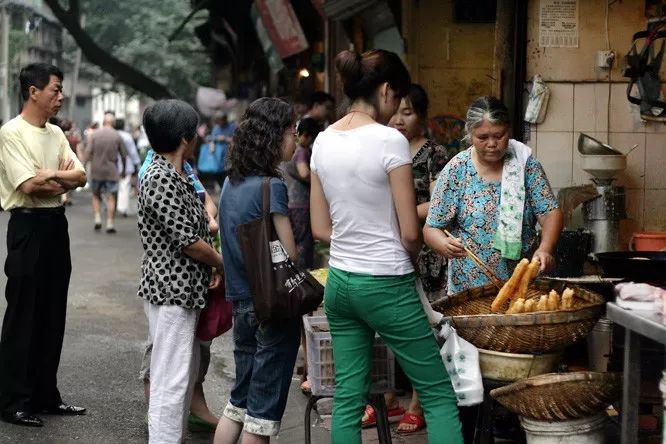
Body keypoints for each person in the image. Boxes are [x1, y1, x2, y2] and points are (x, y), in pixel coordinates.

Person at [309, 49, 463, 444]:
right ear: (387, 90)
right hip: (387, 282)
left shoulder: (323, 141)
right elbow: (411, 231)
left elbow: (320, 227)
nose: (396, 111)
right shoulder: (389, 141)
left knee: (348, 397)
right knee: (437, 393)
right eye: (396, 100)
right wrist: (407, 259)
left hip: (341, 282)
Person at [0, 63, 87, 427]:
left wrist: (49, 174)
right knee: (23, 313)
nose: (60, 96)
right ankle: (12, 400)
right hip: (27, 226)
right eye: (54, 89)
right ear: (33, 92)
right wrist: (56, 180)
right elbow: (28, 187)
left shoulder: (55, 134)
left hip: (55, 225)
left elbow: (80, 175)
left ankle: (45, 395)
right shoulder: (11, 133)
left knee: (53, 312)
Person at [361, 83, 451, 434]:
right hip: (386, 248)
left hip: (426, 249)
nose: (399, 119)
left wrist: (405, 214)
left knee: (422, 330)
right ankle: (385, 399)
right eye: (397, 110)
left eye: (409, 112)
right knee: (387, 325)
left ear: (423, 117)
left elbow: (440, 201)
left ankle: (418, 402)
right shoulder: (383, 148)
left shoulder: (434, 154)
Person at [214, 97, 300, 444]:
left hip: (241, 302)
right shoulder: (272, 186)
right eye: (293, 132)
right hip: (272, 306)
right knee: (261, 417)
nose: (295, 140)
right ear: (275, 136)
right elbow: (289, 252)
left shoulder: (230, 185)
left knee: (239, 401)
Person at [138, 99, 224, 443]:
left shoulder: (178, 174)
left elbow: (200, 229)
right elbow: (189, 241)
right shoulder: (160, 178)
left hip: (184, 287)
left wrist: (211, 266)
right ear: (186, 138)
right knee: (170, 378)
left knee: (180, 375)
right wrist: (220, 263)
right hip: (170, 288)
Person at [424, 95, 563, 294]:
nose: (492, 143)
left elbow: (550, 213)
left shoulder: (526, 166)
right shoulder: (457, 169)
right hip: (469, 289)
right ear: (470, 135)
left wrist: (546, 248)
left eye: (499, 135)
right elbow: (431, 229)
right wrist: (443, 244)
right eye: (482, 137)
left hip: (521, 285)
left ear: (509, 131)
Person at [86, 113, 126, 232]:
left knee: (96, 195)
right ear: (113, 123)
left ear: (104, 122)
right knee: (111, 197)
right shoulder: (117, 136)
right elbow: (124, 155)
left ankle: (98, 218)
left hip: (96, 170)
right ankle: (109, 223)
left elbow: (88, 152)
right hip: (111, 171)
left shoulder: (95, 134)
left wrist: (83, 165)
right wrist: (123, 169)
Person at [114, 118, 141, 217]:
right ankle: (122, 208)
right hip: (126, 164)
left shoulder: (112, 134)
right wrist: (136, 163)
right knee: (124, 186)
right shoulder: (127, 136)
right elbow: (132, 151)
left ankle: (112, 205)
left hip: (112, 164)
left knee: (113, 186)